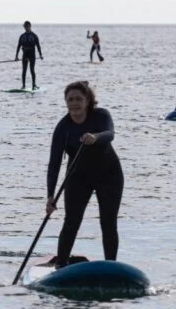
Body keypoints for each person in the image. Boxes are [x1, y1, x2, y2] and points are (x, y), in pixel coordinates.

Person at [46, 81, 123, 268]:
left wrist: (95, 137)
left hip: (109, 175)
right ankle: (61, 266)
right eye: (70, 99)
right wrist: (50, 196)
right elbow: (54, 164)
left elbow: (110, 133)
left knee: (108, 221)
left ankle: (110, 267)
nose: (74, 103)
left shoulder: (101, 115)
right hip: (78, 177)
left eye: (78, 99)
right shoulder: (63, 128)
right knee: (71, 221)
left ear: (87, 100)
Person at [15, 20, 43, 89]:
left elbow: (38, 46)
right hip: (25, 54)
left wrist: (40, 55)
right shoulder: (22, 36)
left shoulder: (34, 36)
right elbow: (18, 46)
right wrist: (16, 56)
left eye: (26, 26)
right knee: (24, 70)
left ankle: (34, 85)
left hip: (32, 55)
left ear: (30, 26)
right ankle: (23, 86)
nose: (25, 28)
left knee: (32, 70)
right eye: (24, 27)